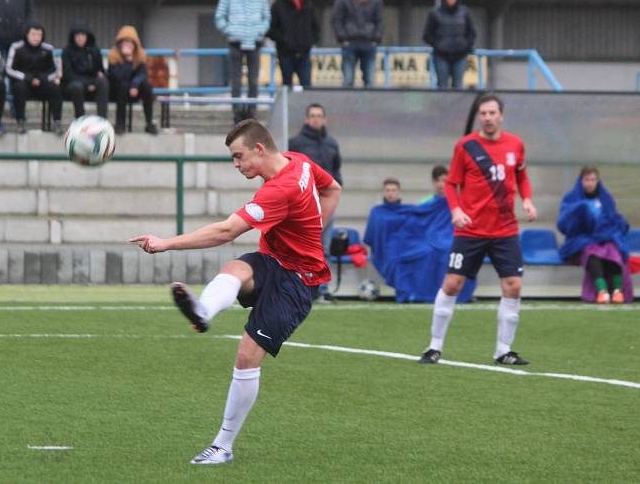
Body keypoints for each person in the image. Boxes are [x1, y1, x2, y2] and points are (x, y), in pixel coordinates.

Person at [131, 119, 341, 465]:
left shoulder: (280, 188)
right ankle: (203, 312)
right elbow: (333, 188)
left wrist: (165, 243)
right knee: (236, 269)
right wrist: (315, 229)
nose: (237, 165)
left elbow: (227, 231)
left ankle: (223, 446)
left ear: (260, 149)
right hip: (273, 260)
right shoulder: (298, 161)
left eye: (239, 156)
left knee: (246, 356)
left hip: (298, 281)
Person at [419, 94, 537, 366]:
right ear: (479, 117)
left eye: (492, 113)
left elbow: (521, 175)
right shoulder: (466, 146)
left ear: (501, 115)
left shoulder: (516, 144)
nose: (487, 118)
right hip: (470, 230)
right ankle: (434, 346)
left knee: (513, 286)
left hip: (505, 229)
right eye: (483, 113)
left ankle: (503, 350)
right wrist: (456, 211)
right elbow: (451, 184)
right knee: (452, 284)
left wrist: (527, 200)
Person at [364, 175, 477, 304]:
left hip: (419, 241)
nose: (390, 193)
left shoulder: (407, 210)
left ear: (398, 191)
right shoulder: (377, 211)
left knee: (433, 252)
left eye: (393, 190)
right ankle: (410, 293)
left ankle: (440, 293)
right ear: (383, 191)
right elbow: (372, 236)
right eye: (388, 190)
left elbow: (417, 225)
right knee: (403, 258)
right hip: (391, 247)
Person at [288, 103, 342, 301]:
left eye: (319, 115)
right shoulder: (295, 143)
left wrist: (335, 189)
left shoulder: (332, 143)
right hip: (304, 205)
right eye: (312, 115)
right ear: (306, 119)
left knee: (324, 247)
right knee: (302, 247)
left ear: (325, 119)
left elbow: (336, 170)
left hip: (326, 202)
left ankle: (322, 289)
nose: (316, 119)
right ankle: (302, 287)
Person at [557, 166, 632, 304]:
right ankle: (602, 292)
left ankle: (617, 291)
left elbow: (612, 219)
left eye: (593, 179)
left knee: (614, 249)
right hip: (580, 240)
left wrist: (608, 230)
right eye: (587, 180)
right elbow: (563, 224)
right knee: (592, 251)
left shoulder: (606, 197)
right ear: (581, 181)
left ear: (598, 181)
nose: (590, 183)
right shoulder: (571, 198)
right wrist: (581, 210)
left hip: (604, 238)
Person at [215, 0, 270, 123]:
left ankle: (252, 112)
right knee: (236, 80)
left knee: (254, 80)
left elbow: (266, 18)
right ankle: (237, 113)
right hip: (235, 42)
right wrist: (230, 31)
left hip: (255, 43)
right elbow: (219, 17)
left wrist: (260, 32)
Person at [331, 0, 383, 87]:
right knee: (348, 80)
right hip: (349, 44)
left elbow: (379, 20)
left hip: (369, 43)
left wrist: (376, 39)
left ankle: (370, 106)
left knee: (370, 81)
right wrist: (342, 38)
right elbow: (336, 19)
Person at [5, 22, 62, 133]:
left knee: (55, 89)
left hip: (42, 83)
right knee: (18, 88)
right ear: (27, 34)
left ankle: (57, 122)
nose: (36, 38)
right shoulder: (16, 47)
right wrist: (27, 78)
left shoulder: (48, 49)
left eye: (39, 35)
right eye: (33, 34)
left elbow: (55, 70)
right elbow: (9, 69)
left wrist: (43, 79)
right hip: (23, 82)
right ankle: (20, 122)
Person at [267, 0, 319, 87]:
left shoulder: (309, 6)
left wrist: (309, 42)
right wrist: (284, 40)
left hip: (304, 54)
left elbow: (316, 28)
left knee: (307, 87)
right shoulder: (277, 6)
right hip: (285, 54)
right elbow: (270, 30)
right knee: (287, 87)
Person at [423, 0, 477, 89]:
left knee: (458, 87)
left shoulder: (465, 12)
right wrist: (438, 45)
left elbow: (472, 32)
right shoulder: (434, 13)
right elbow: (427, 35)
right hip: (441, 56)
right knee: (442, 87)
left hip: (460, 56)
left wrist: (466, 46)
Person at [107, 25, 157, 135]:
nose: (128, 44)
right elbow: (118, 77)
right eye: (125, 41)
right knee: (123, 86)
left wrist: (134, 85)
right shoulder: (113, 56)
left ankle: (149, 123)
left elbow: (143, 74)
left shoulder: (140, 55)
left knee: (147, 86)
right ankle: (120, 124)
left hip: (134, 90)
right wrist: (128, 62)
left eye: (130, 42)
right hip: (117, 91)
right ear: (119, 43)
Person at [62, 25, 108, 119]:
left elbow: (100, 70)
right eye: (77, 35)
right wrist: (87, 84)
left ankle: (102, 119)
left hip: (92, 83)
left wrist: (99, 74)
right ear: (73, 37)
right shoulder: (67, 51)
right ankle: (80, 119)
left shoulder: (95, 50)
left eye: (83, 35)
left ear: (87, 36)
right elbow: (68, 74)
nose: (80, 38)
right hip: (74, 85)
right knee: (77, 86)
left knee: (103, 81)